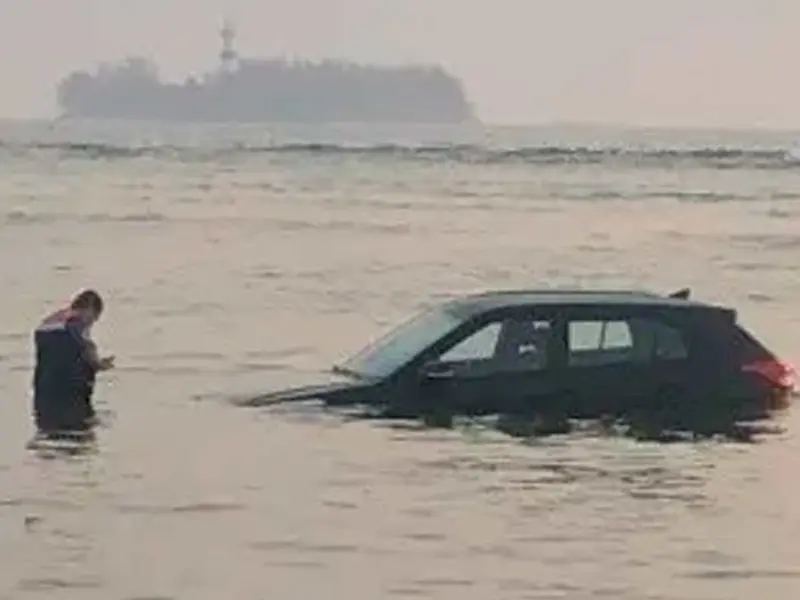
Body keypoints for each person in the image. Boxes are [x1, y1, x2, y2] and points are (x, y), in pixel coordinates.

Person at [32, 289, 115, 435]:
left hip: (44, 391)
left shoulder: (49, 321)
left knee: (48, 432)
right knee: (83, 435)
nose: (92, 323)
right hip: (70, 394)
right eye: (95, 317)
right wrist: (99, 364)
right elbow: (86, 345)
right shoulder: (76, 322)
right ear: (89, 309)